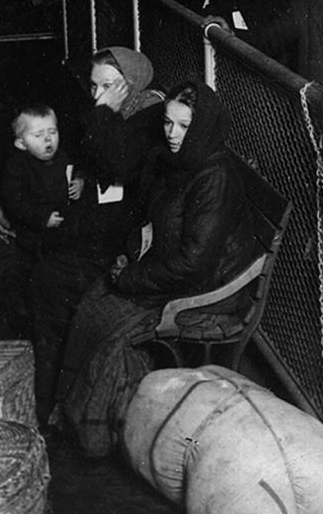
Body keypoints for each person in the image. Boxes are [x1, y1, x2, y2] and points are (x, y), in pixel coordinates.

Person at [52, 80, 257, 457]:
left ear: (203, 128)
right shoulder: (176, 162)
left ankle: (95, 432)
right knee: (93, 302)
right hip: (173, 271)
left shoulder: (214, 178)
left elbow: (194, 263)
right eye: (167, 123)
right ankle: (81, 418)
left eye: (183, 127)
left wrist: (130, 276)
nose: (172, 134)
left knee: (107, 321)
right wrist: (132, 255)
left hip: (205, 289)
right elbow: (154, 222)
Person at [0, 47, 166, 424]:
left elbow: (119, 161)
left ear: (130, 84)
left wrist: (103, 113)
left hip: (123, 240)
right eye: (93, 85)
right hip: (94, 221)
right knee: (15, 265)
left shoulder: (150, 115)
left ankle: (51, 397)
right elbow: (64, 157)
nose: (97, 94)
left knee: (48, 281)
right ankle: (34, 386)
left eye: (108, 85)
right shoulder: (113, 111)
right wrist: (2, 204)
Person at [0, 106, 84, 340]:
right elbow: (13, 200)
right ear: (21, 143)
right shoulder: (17, 166)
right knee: (0, 269)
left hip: (54, 236)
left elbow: (78, 170)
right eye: (38, 136)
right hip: (21, 234)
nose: (48, 140)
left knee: (46, 280)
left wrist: (80, 181)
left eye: (53, 132)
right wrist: (41, 217)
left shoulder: (63, 157)